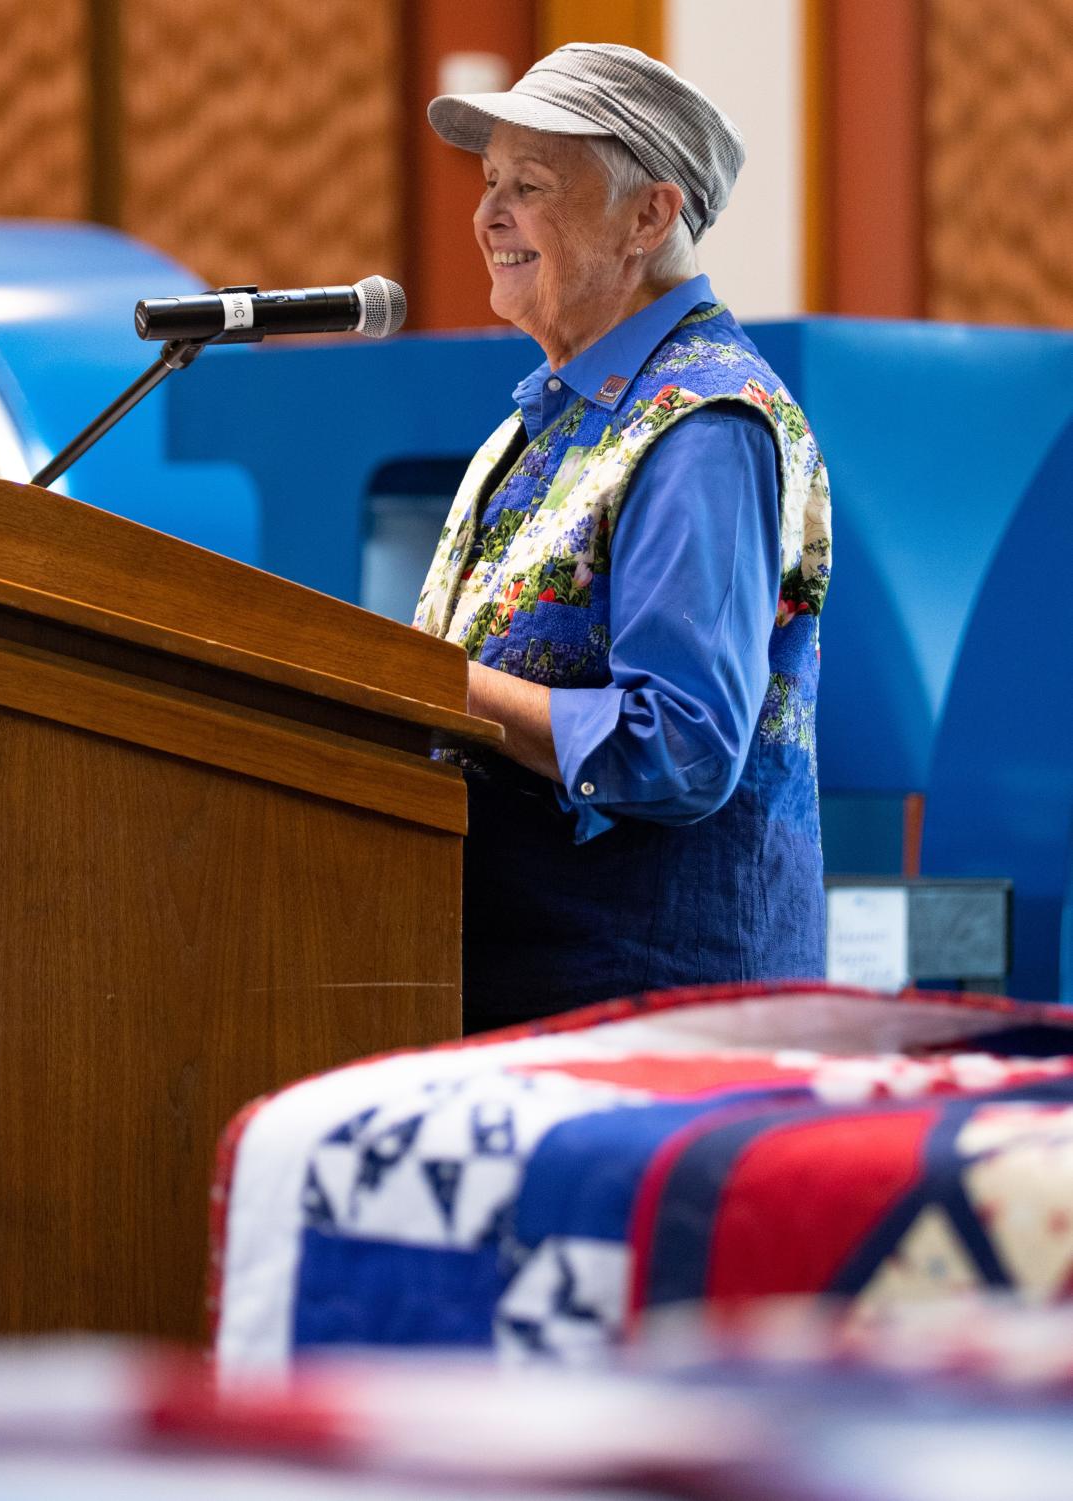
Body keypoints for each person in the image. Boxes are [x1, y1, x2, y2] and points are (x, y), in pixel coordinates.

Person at [412, 43, 832, 1033]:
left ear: (650, 215)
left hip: (652, 1039)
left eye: (532, 186)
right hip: (528, 1014)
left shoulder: (705, 424)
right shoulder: (542, 424)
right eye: (489, 184)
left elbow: (679, 746)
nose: (488, 216)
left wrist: (423, 681)